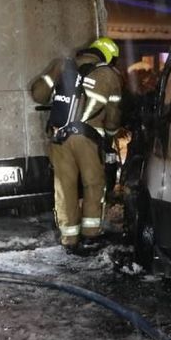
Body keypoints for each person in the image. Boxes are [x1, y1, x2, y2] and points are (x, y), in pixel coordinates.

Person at [31, 37, 123, 254]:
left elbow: (38, 95)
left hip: (59, 137)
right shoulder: (109, 75)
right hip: (89, 139)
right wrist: (110, 137)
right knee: (93, 185)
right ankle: (90, 236)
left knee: (65, 187)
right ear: (109, 57)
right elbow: (113, 118)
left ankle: (69, 238)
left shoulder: (62, 65)